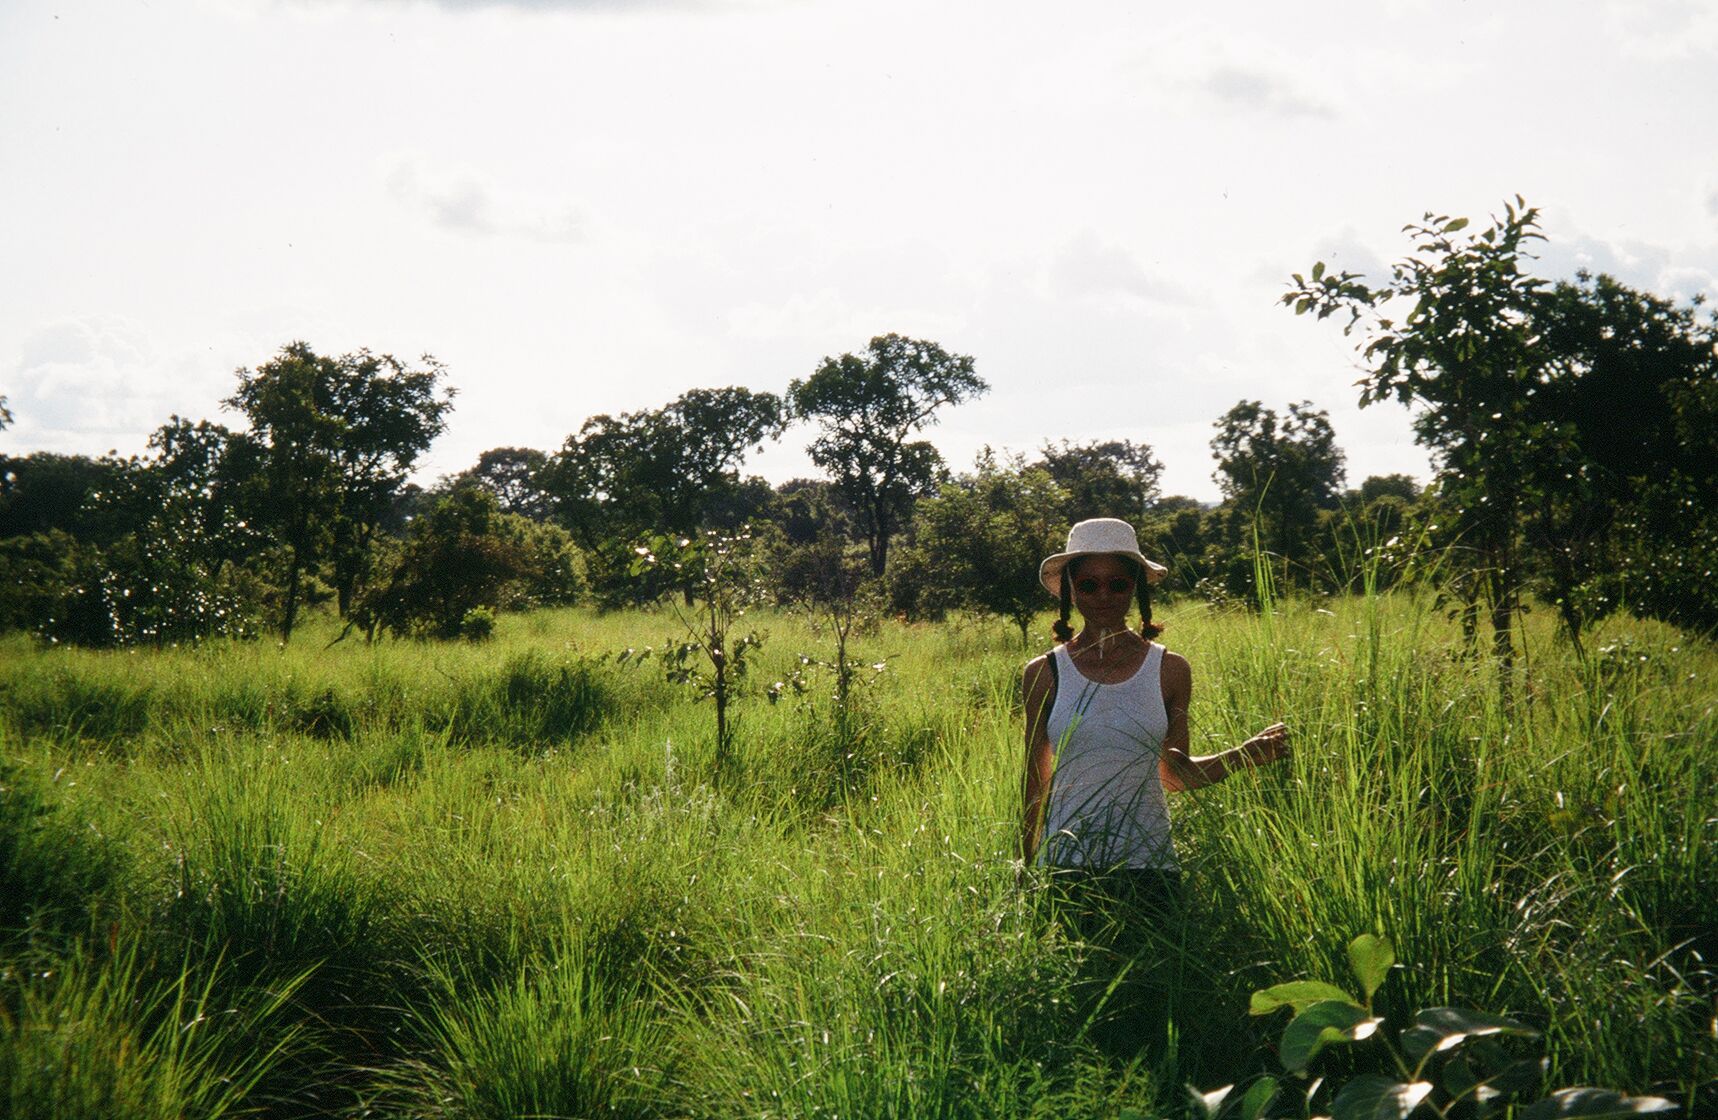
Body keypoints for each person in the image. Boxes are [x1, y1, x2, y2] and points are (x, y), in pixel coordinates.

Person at [1021, 518, 1291, 898]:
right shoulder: (1044, 672)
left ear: (1135, 589)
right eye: (1088, 584)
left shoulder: (1170, 670)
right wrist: (1025, 865)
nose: (1104, 595)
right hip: (1067, 868)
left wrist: (1244, 756)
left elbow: (1174, 776)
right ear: (1070, 590)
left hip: (1149, 868)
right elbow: (1035, 779)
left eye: (1118, 583)